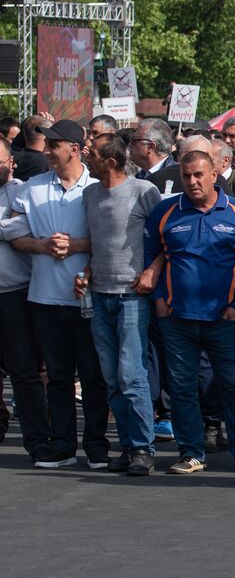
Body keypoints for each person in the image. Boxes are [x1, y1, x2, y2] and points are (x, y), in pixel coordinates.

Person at [144, 150, 235, 475]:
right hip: (177, 320)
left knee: (234, 387)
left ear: (214, 174)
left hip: (223, 319)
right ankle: (191, 453)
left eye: (199, 175)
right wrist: (159, 300)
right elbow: (150, 260)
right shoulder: (165, 212)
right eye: (187, 176)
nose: (193, 181)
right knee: (182, 388)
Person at [7, 119, 108, 469]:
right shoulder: (32, 189)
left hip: (87, 299)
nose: (47, 151)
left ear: (75, 149)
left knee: (93, 378)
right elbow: (13, 237)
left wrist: (78, 245)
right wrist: (41, 245)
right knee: (59, 378)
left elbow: (111, 240)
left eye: (54, 145)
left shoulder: (95, 189)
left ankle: (97, 447)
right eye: (47, 145)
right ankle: (63, 446)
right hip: (45, 299)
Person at [78, 134, 162, 477]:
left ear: (110, 162)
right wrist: (86, 270)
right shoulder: (90, 194)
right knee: (112, 378)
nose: (88, 158)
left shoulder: (144, 191)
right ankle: (128, 446)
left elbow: (163, 239)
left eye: (93, 154)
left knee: (131, 375)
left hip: (131, 296)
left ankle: (144, 447)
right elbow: (97, 241)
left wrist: (151, 272)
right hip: (99, 295)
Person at [0, 137, 49, 464]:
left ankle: (38, 441)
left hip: (13, 297)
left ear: (11, 162)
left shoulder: (22, 192)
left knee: (24, 372)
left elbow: (26, 228)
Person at [13, 115, 53, 182]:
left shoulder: (11, 158)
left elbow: (15, 144)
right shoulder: (46, 163)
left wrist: (32, 121)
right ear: (47, 135)